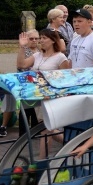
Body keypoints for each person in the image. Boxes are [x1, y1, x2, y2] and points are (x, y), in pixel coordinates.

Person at [17, 29, 70, 158]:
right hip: (41, 98)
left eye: (44, 38)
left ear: (53, 40)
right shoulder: (37, 56)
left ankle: (42, 161)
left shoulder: (60, 57)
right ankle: (72, 145)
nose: (40, 40)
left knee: (46, 130)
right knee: (47, 130)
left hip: (54, 99)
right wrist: (22, 47)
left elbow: (67, 79)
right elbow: (21, 64)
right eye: (40, 37)